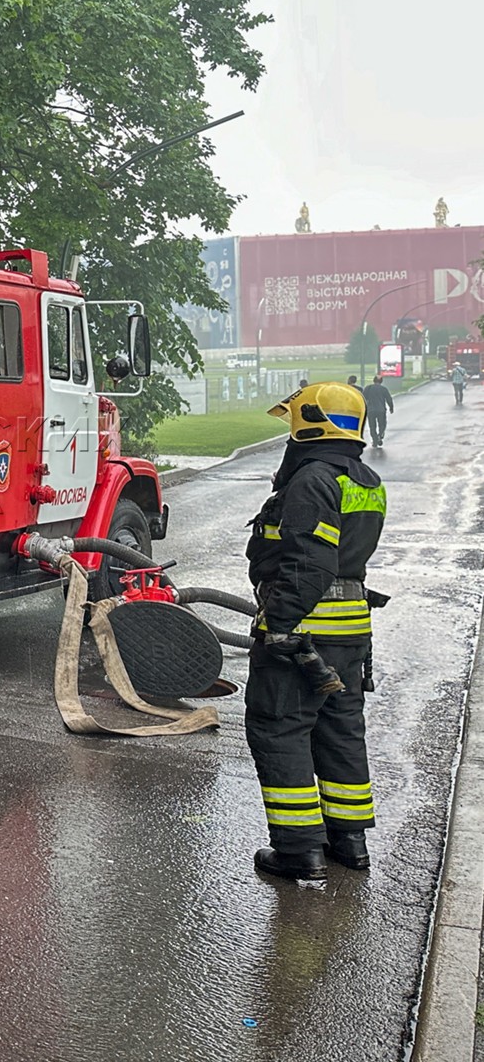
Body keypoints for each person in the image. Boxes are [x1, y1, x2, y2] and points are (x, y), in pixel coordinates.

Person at [244, 381, 385, 881]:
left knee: (279, 728)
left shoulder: (312, 481)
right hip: (349, 634)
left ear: (309, 424)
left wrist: (277, 623)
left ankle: (298, 850)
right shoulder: (363, 479)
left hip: (305, 633)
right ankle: (349, 840)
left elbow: (311, 562)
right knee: (339, 729)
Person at [362, 375, 394, 447]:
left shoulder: (368, 388)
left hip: (371, 410)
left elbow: (363, 398)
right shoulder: (384, 389)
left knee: (372, 426)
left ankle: (375, 439)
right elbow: (389, 399)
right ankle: (380, 434)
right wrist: (391, 407)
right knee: (382, 424)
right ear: (381, 381)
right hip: (381, 410)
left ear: (373, 380)